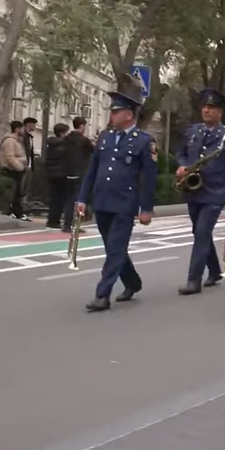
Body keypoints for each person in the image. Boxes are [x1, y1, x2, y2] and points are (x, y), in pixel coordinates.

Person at [76, 86, 159, 312]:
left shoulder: (144, 141)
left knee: (115, 248)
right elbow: (92, 170)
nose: (111, 115)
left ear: (129, 114)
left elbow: (149, 178)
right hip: (102, 200)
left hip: (125, 202)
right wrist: (82, 198)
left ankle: (102, 295)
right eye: (112, 111)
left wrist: (146, 208)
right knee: (113, 248)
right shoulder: (105, 137)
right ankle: (133, 282)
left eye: (116, 111)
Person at [174, 89, 225, 296]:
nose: (206, 110)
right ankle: (214, 271)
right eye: (204, 106)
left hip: (215, 193)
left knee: (202, 232)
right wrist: (183, 166)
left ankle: (193, 280)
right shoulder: (193, 131)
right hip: (193, 190)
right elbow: (180, 153)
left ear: (220, 112)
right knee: (199, 232)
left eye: (211, 107)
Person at [61, 117, 95, 233]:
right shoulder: (83, 140)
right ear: (82, 126)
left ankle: (67, 223)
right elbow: (94, 151)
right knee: (77, 199)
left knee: (69, 198)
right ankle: (73, 224)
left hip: (67, 172)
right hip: (80, 172)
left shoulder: (66, 139)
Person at [0, 121, 29, 220]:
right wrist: (20, 167)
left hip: (17, 171)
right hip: (11, 171)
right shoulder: (10, 141)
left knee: (18, 194)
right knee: (12, 193)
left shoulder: (18, 140)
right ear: (17, 129)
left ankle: (18, 212)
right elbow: (9, 157)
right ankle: (9, 212)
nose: (23, 131)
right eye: (22, 128)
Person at [44, 123, 71, 229]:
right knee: (61, 198)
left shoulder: (51, 144)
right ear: (62, 133)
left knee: (54, 197)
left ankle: (52, 220)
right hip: (62, 173)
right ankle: (55, 220)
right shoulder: (64, 145)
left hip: (52, 173)